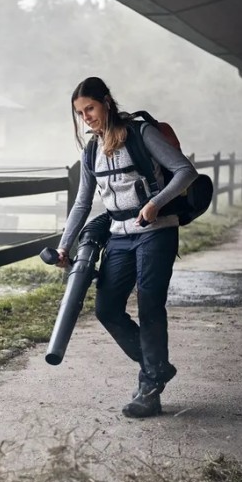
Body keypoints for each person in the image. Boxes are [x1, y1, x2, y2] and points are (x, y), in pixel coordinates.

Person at [54, 77, 199, 419]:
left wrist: (155, 204)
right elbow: (82, 203)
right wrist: (64, 245)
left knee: (150, 307)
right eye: (79, 112)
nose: (85, 117)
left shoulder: (140, 133)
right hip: (119, 235)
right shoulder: (91, 149)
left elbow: (184, 171)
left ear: (106, 101)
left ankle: (149, 388)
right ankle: (157, 367)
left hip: (156, 231)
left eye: (89, 108)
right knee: (106, 308)